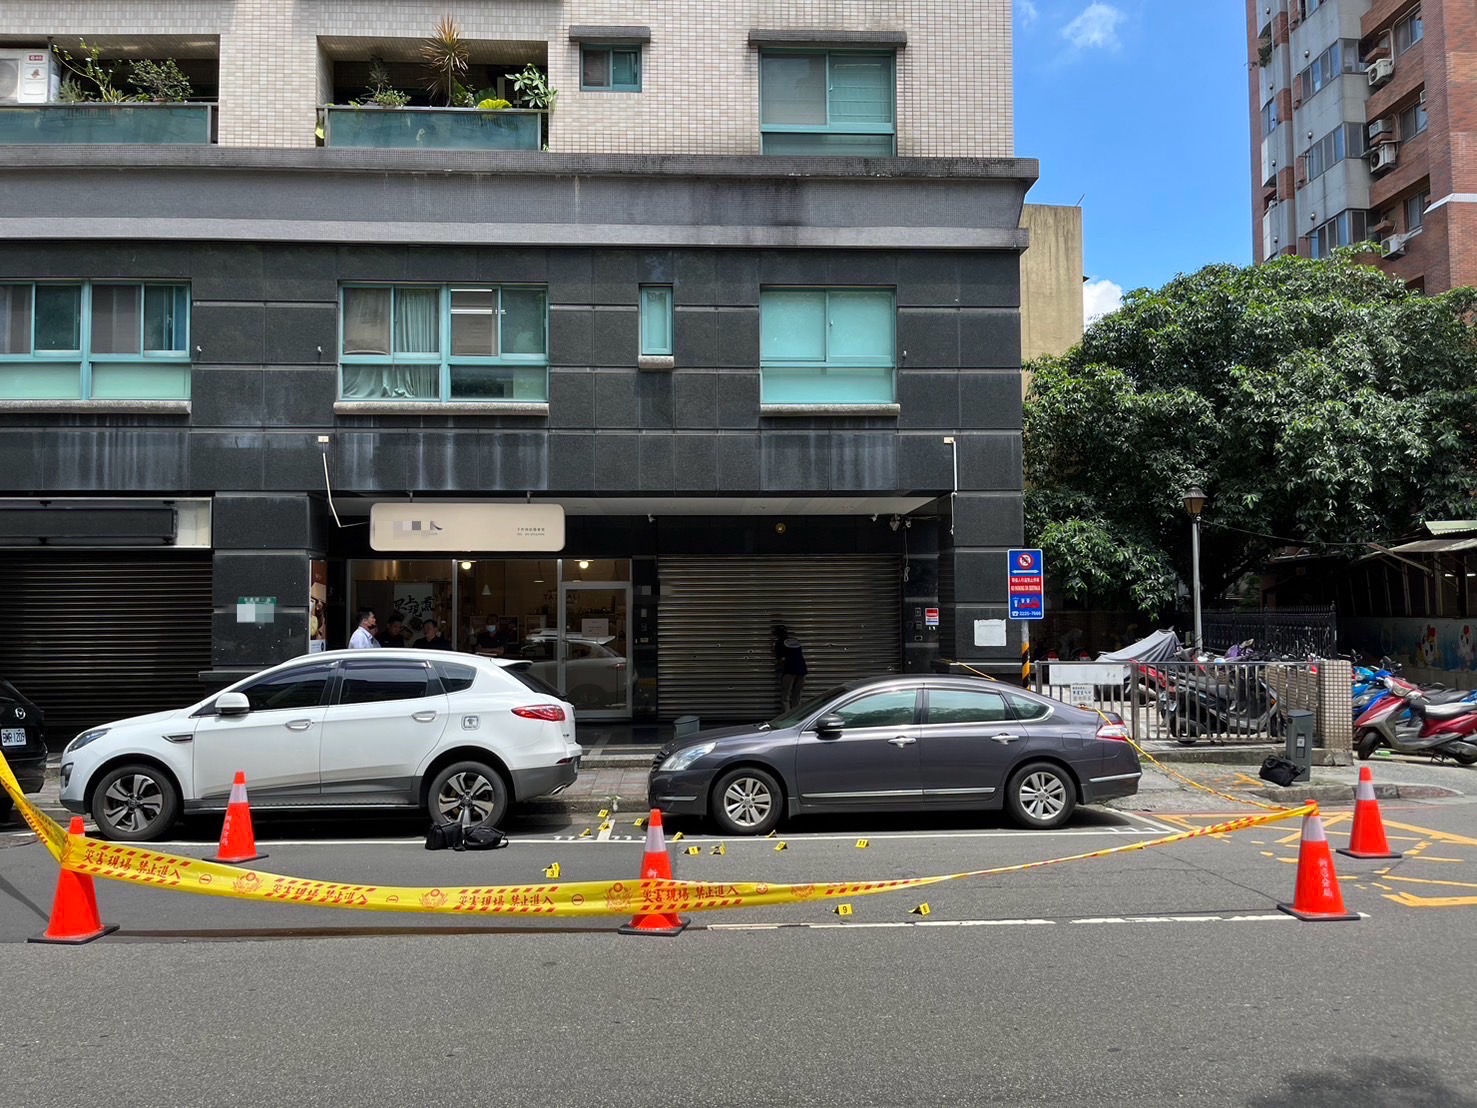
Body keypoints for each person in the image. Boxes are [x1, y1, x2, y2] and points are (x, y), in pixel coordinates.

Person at [773, 624, 809, 711]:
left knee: (785, 696)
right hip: (802, 670)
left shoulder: (779, 643)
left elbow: (781, 659)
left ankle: (787, 716)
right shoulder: (795, 641)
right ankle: (797, 715)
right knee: (797, 696)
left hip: (790, 670)